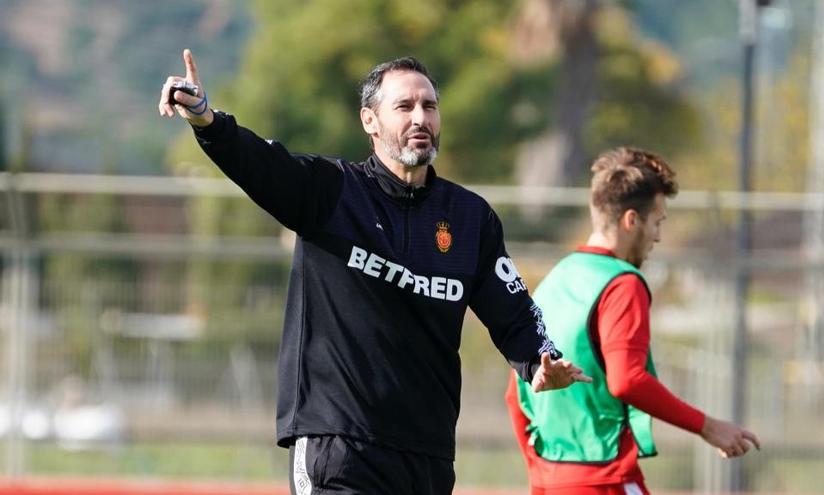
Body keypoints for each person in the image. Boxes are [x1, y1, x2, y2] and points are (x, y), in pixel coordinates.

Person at [158, 50, 589, 495]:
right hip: (338, 442)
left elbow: (514, 312)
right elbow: (260, 163)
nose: (420, 117)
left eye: (429, 106)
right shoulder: (330, 191)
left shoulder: (470, 218)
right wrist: (206, 118)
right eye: (404, 107)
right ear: (370, 120)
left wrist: (541, 359)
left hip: (427, 455)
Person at [505, 147, 761, 495]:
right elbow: (627, 380)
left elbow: (515, 394)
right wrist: (708, 426)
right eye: (657, 222)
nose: (657, 236)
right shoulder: (622, 283)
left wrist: (541, 475)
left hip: (551, 481)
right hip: (604, 480)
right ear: (631, 221)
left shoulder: (555, 280)